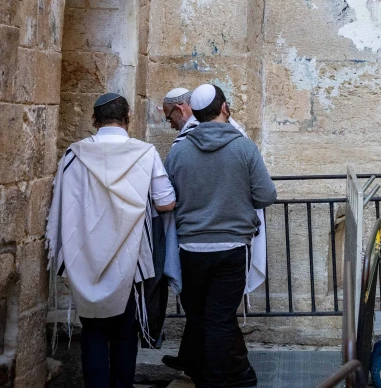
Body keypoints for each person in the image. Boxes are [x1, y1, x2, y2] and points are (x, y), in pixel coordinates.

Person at [46, 93, 176, 387]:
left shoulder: (73, 155)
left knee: (92, 331)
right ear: (127, 118)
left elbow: (61, 203)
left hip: (85, 257)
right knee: (124, 331)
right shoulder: (145, 154)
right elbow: (166, 201)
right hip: (128, 259)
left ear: (94, 120)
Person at [164, 84, 277, 388]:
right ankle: (219, 380)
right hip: (231, 248)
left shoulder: (179, 150)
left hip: (190, 248)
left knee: (201, 318)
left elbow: (165, 197)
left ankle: (217, 376)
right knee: (220, 319)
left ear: (194, 113)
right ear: (225, 108)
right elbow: (266, 195)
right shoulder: (244, 147)